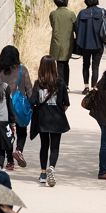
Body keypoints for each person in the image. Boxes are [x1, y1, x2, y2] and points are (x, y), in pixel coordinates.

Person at [29, 55, 70, 187]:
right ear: (54, 67)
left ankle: (42, 173)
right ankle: (51, 167)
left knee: (44, 145)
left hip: (43, 119)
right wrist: (59, 110)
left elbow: (32, 102)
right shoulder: (60, 82)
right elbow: (66, 103)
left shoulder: (38, 83)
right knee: (55, 146)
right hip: (57, 118)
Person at [0, 45, 33, 169]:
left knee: (7, 134)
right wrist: (31, 105)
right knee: (22, 132)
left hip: (3, 108)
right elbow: (29, 90)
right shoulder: (22, 70)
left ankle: (10, 161)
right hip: (19, 108)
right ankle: (18, 150)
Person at [75, 0, 106, 94]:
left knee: (85, 64)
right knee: (96, 66)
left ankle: (86, 87)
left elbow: (77, 27)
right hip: (98, 43)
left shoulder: (82, 13)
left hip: (85, 44)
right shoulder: (102, 12)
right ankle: (94, 87)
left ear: (86, 1)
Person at [49, 0, 76, 88]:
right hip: (67, 43)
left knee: (58, 65)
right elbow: (75, 28)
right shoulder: (71, 14)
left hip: (56, 42)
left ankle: (60, 85)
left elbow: (53, 25)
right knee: (65, 64)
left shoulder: (53, 14)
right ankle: (65, 85)